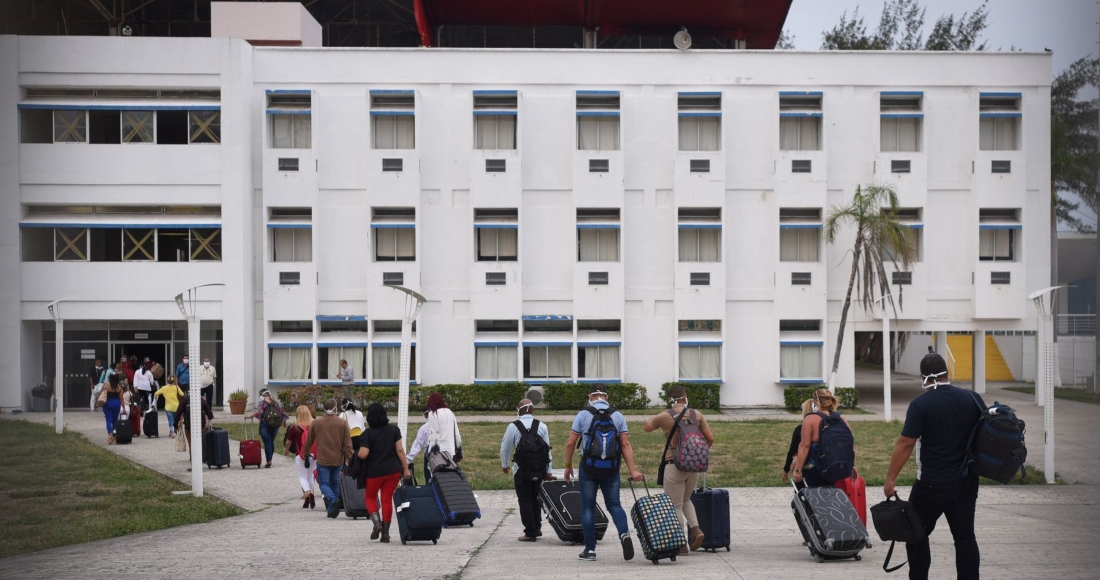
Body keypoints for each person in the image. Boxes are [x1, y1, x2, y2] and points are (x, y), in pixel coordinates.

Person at [884, 352, 985, 580]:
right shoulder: (972, 398)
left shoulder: (921, 404)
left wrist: (890, 479)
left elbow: (906, 443)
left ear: (923, 377)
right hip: (966, 482)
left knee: (916, 534)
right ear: (947, 373)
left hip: (931, 484)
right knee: (965, 537)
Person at [563, 383, 643, 562]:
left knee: (588, 507)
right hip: (611, 468)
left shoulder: (583, 414)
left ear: (590, 396)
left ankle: (590, 550)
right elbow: (625, 444)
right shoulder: (618, 415)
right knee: (614, 504)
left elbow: (570, 443)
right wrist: (633, 470)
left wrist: (568, 465)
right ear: (606, 397)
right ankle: (624, 534)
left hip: (588, 467)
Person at [643, 385, 714, 554]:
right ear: (684, 398)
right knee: (686, 499)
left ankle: (681, 544)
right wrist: (696, 454)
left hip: (674, 465)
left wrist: (653, 418)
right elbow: (710, 439)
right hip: (694, 466)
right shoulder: (697, 415)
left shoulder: (664, 416)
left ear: (671, 400)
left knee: (675, 505)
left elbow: (647, 427)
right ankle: (696, 529)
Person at [356, 403, 411, 543]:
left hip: (374, 473)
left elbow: (363, 454)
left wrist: (357, 454)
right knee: (387, 499)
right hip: (393, 471)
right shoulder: (394, 430)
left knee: (370, 498)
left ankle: (377, 524)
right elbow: (400, 450)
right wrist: (405, 468)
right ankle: (385, 534)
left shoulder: (367, 434)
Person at [500, 398, 553, 542]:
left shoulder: (513, 427)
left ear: (520, 410)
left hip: (521, 470)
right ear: (532, 410)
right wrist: (548, 470)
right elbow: (547, 450)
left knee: (524, 499)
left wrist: (505, 464)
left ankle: (530, 532)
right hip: (539, 469)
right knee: (536, 498)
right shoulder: (542, 426)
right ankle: (537, 527)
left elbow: (505, 447)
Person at [791, 388, 858, 487]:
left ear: (816, 401)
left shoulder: (810, 419)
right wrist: (853, 466)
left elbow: (805, 446)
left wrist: (797, 470)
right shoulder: (841, 419)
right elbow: (850, 445)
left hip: (814, 469)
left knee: (813, 495)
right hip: (836, 467)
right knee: (831, 494)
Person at [303, 398, 352, 518]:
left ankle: (333, 501)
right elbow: (348, 443)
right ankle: (331, 510)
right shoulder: (342, 423)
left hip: (323, 459)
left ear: (323, 408)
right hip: (338, 459)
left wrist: (306, 453)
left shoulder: (316, 423)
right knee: (335, 483)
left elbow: (309, 441)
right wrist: (348, 458)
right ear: (335, 408)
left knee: (324, 484)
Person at [284, 405, 317, 509]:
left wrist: (286, 450)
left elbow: (288, 441)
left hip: (301, 455)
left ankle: (308, 493)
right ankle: (311, 492)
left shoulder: (295, 427)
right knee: (310, 475)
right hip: (314, 454)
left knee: (302, 476)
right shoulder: (315, 424)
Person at [781, 399, 815, 487]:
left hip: (805, 467)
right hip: (823, 467)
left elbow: (793, 450)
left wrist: (786, 470)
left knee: (802, 492)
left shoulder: (801, 429)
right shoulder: (825, 427)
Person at [176, 389, 214, 469]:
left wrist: (175, 425)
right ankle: (200, 462)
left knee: (191, 445)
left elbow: (178, 413)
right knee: (199, 443)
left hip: (188, 426)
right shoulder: (201, 400)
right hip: (200, 426)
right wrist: (209, 417)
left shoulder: (185, 400)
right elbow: (210, 414)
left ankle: (193, 464)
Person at [250, 389, 288, 468]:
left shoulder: (262, 403)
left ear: (261, 396)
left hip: (265, 424)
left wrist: (251, 416)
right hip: (275, 425)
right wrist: (284, 422)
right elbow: (283, 413)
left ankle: (269, 461)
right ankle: (270, 459)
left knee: (267, 442)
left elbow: (260, 413)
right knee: (271, 442)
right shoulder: (276, 403)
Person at [426, 393, 462, 463]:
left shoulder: (433, 414)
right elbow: (456, 434)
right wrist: (459, 451)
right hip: (451, 451)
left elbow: (434, 436)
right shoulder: (450, 412)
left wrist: (429, 452)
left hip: (438, 452)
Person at [405, 409, 432, 480]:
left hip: (429, 456)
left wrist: (407, 460)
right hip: (446, 455)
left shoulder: (424, 428)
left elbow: (417, 445)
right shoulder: (444, 425)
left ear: (425, 415)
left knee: (429, 479)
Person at [101, 374, 124, 444]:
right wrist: (124, 408)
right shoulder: (119, 387)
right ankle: (114, 435)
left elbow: (101, 393)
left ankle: (110, 435)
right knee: (115, 421)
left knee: (108, 420)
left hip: (107, 403)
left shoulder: (106, 385)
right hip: (116, 403)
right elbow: (121, 398)